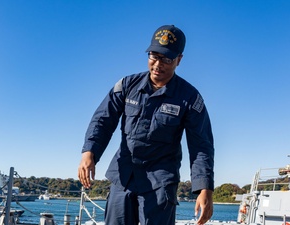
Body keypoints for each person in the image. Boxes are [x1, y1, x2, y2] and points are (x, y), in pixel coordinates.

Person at [78, 24, 214, 225]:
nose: (158, 64)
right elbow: (103, 120)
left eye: (167, 59)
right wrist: (89, 152)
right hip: (123, 177)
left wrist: (205, 189)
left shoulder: (190, 98)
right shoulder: (126, 85)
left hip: (160, 185)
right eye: (154, 56)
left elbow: (201, 146)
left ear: (179, 60)